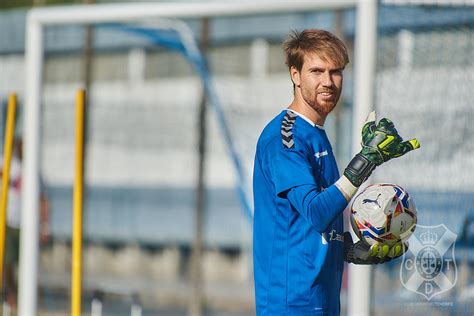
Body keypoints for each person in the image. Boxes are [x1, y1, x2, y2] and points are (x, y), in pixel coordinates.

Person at [252, 29, 420, 315]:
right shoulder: (285, 139)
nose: (328, 82)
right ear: (295, 75)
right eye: (316, 71)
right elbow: (316, 212)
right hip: (290, 304)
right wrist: (366, 161)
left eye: (336, 71)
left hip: (322, 300)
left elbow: (304, 227)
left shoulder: (315, 133)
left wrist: (347, 250)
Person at [1, 138, 50, 310]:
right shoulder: (5, 163)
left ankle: (25, 298)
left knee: (27, 264)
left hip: (28, 226)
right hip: (7, 222)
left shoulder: (34, 171)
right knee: (7, 262)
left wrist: (45, 226)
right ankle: (11, 295)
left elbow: (43, 199)